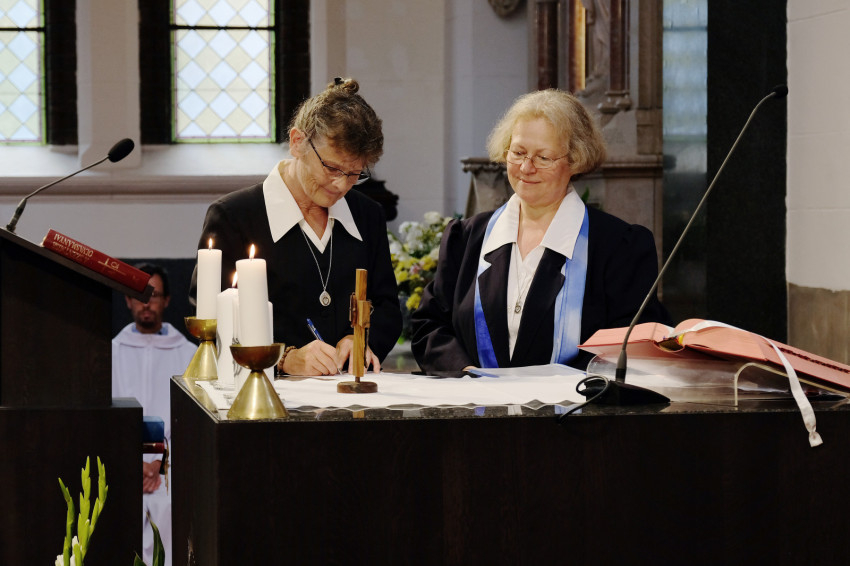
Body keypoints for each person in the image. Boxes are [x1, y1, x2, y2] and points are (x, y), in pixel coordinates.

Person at [411, 89, 670, 373]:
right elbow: (429, 327)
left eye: (543, 157)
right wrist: (467, 374)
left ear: (576, 160)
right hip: (475, 399)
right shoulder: (466, 238)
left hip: (576, 400)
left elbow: (631, 344)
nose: (526, 168)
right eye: (518, 152)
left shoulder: (620, 247)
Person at [191, 77, 402, 375]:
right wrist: (283, 358)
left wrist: (360, 340)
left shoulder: (367, 215)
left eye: (355, 174)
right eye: (332, 168)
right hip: (264, 390)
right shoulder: (234, 216)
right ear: (297, 142)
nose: (341, 185)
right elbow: (211, 321)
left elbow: (387, 307)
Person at [113, 263, 196, 566]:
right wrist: (135, 464)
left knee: (171, 509)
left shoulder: (188, 355)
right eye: (139, 295)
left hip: (170, 474)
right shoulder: (111, 353)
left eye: (154, 295)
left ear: (167, 301)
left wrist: (158, 465)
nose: (146, 303)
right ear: (128, 299)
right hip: (121, 468)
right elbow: (109, 420)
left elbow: (189, 424)